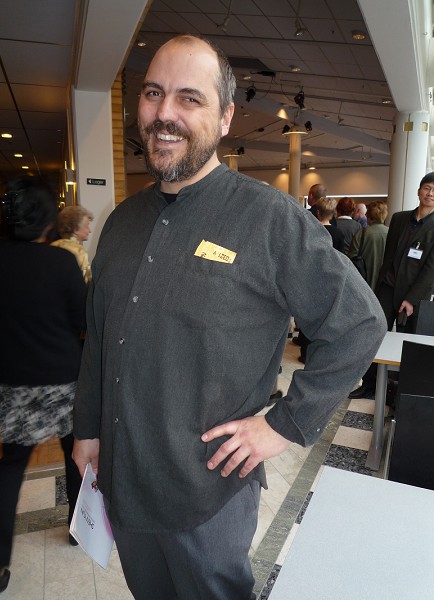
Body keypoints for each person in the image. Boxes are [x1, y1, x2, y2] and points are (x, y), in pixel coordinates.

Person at [72, 34, 386, 600]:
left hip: (207, 492)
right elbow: (98, 338)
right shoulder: (121, 222)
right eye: (153, 93)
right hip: (126, 474)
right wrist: (88, 429)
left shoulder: (269, 218)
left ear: (225, 118)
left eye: (189, 98)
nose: (165, 113)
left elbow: (360, 323)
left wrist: (283, 424)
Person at [0, 177, 87, 597]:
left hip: (13, 380)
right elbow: (82, 320)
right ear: (47, 220)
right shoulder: (60, 263)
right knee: (77, 456)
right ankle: (79, 530)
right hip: (63, 379)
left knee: (10, 467)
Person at [349, 174, 434, 400]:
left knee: (408, 344)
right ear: (418, 191)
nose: (430, 194)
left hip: (414, 296)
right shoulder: (399, 218)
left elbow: (431, 269)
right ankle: (370, 385)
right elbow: (388, 256)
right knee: (375, 335)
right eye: (427, 188)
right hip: (387, 287)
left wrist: (412, 299)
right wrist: (379, 284)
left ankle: (400, 393)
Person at [298, 198, 345, 363]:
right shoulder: (338, 234)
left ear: (317, 212)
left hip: (310, 278)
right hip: (330, 280)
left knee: (307, 316)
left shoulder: (310, 231)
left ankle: (306, 353)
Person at [349, 201, 388, 292]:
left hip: (364, 282)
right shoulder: (391, 233)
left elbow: (352, 256)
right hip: (384, 283)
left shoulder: (361, 233)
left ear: (368, 216)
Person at [51, 205, 93, 284]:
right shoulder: (79, 251)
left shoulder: (52, 246)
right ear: (76, 228)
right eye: (87, 226)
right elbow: (86, 282)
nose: (89, 230)